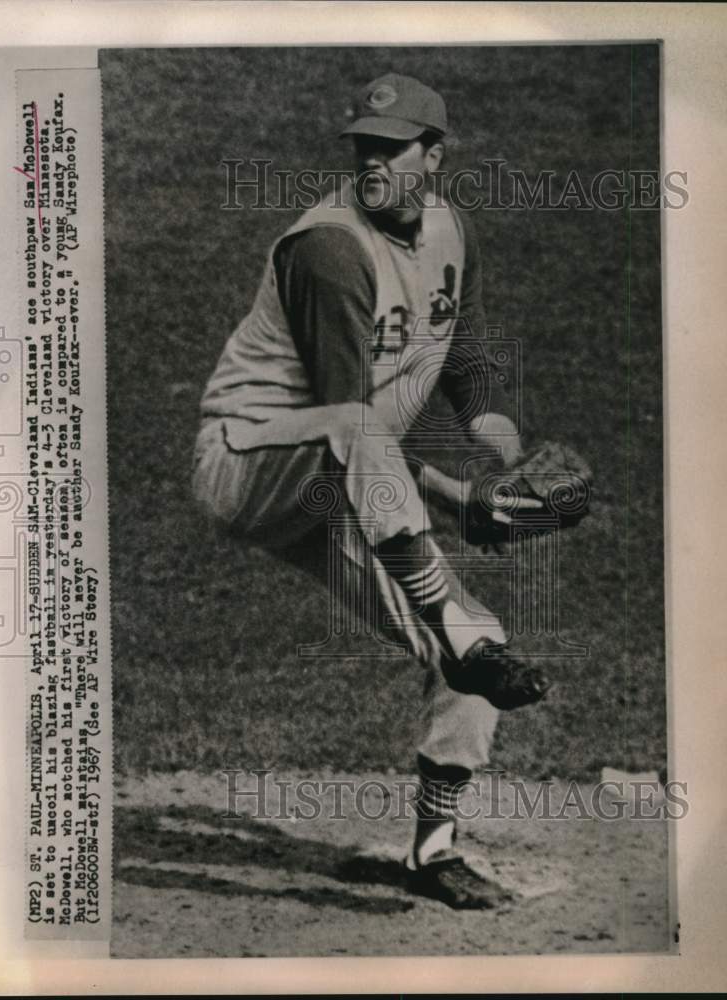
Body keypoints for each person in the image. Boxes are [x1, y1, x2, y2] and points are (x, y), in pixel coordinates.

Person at [192, 72, 550, 909]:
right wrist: (463, 505)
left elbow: (466, 349)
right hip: (249, 464)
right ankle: (457, 633)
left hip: (336, 490)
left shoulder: (451, 229)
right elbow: (350, 425)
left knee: (473, 649)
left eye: (393, 151)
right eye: (365, 150)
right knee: (361, 440)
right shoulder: (330, 250)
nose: (375, 165)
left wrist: (498, 446)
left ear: (435, 154)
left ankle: (434, 851)